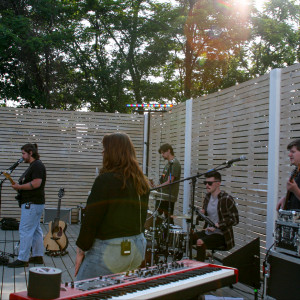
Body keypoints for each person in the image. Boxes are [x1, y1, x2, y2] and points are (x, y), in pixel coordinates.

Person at [75, 132, 150, 280]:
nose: (103, 153)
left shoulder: (105, 181)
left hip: (111, 250)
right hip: (138, 247)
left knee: (81, 291)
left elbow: (90, 221)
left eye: (105, 149)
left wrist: (80, 251)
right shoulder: (141, 181)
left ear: (112, 153)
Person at [7, 143, 46, 268]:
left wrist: (19, 187)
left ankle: (22, 259)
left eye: (24, 153)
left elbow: (36, 183)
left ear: (30, 153)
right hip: (34, 203)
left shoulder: (37, 166)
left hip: (32, 204)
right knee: (35, 230)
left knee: (25, 230)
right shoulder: (33, 166)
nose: (22, 156)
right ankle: (37, 256)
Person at [193, 171, 239, 261]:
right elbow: (207, 215)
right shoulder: (207, 197)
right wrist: (202, 213)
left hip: (222, 235)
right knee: (188, 238)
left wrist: (219, 224)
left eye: (209, 183)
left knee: (200, 242)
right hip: (208, 232)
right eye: (205, 183)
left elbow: (235, 219)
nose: (207, 185)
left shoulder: (226, 199)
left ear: (218, 184)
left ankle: (200, 268)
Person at [152, 143, 181, 221]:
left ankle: (167, 233)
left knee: (168, 220)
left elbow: (170, 181)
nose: (162, 155)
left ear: (169, 151)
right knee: (157, 217)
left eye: (163, 152)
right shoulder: (168, 164)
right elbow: (163, 179)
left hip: (168, 197)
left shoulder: (174, 164)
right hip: (162, 195)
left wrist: (157, 187)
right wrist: (154, 186)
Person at [277, 139, 300, 210]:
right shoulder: (297, 171)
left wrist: (295, 190)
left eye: (293, 152)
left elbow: (296, 190)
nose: (289, 154)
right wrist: (286, 198)